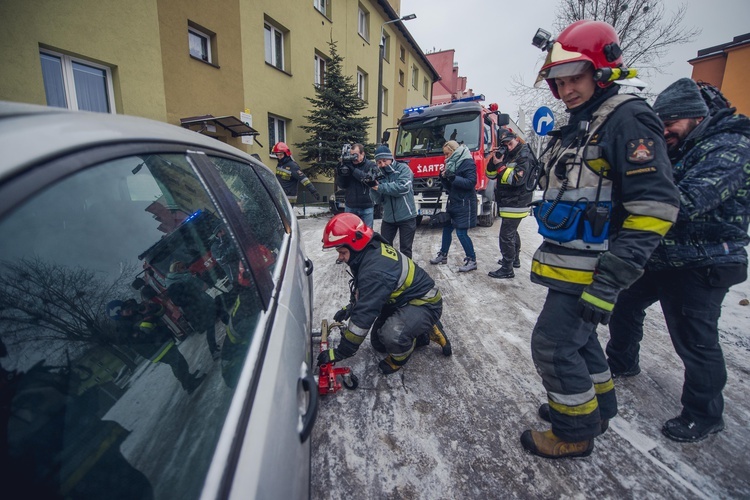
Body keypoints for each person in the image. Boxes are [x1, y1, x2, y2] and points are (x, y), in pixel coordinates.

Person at [521, 20, 680, 459]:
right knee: (581, 342)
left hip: (594, 271)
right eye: (560, 81)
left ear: (602, 72)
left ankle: (574, 431)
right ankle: (596, 407)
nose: (567, 89)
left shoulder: (627, 118)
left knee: (552, 346)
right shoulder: (587, 119)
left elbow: (656, 208)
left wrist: (608, 285)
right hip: (575, 265)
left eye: (576, 78)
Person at [606, 78, 750, 442]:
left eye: (670, 122)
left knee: (695, 340)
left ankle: (704, 414)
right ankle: (622, 362)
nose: (664, 130)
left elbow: (686, 202)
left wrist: (635, 200)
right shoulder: (681, 145)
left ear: (695, 116)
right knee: (624, 305)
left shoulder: (731, 146)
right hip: (663, 256)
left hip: (704, 262)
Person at [319, 213, 451, 375]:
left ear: (355, 244)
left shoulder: (374, 270)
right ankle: (422, 332)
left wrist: (340, 352)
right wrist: (350, 308)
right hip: (403, 301)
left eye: (343, 252)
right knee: (378, 343)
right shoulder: (368, 251)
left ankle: (400, 358)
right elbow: (367, 293)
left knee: (392, 335)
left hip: (425, 303)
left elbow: (364, 315)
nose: (340, 258)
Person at [485, 129, 535, 279]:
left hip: (517, 200)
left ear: (517, 139)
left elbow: (516, 180)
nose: (508, 146)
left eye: (510, 143)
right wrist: (493, 161)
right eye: (505, 144)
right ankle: (515, 260)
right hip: (509, 201)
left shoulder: (524, 155)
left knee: (506, 235)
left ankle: (507, 268)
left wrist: (500, 165)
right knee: (512, 232)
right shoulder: (508, 154)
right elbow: (491, 175)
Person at [429, 140, 478, 272]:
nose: (445, 157)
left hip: (465, 203)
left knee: (461, 233)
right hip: (454, 201)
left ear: (454, 151)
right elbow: (451, 187)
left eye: (447, 154)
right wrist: (444, 178)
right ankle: (443, 255)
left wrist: (452, 176)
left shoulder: (467, 162)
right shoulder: (452, 163)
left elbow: (471, 182)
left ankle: (471, 259)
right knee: (446, 228)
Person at [368, 144, 418, 258]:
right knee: (385, 249)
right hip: (389, 218)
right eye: (379, 162)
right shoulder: (379, 174)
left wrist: (379, 187)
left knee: (405, 249)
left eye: (385, 161)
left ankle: (407, 273)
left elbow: (402, 188)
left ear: (391, 158)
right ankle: (389, 272)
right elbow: (378, 199)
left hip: (407, 216)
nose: (382, 165)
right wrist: (372, 187)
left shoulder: (403, 169)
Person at [166, 260, 221, 359]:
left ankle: (215, 347)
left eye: (185, 266)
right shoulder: (175, 284)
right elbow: (179, 301)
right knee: (211, 326)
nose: (186, 269)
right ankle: (214, 351)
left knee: (216, 320)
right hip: (197, 308)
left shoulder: (183, 278)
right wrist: (193, 296)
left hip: (202, 304)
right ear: (176, 270)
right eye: (183, 267)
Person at [336, 143, 378, 228]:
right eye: (351, 155)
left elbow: (369, 181)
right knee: (350, 234)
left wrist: (353, 170)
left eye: (355, 155)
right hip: (350, 206)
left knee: (367, 234)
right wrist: (341, 172)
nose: (353, 158)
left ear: (363, 154)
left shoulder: (371, 165)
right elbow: (342, 185)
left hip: (366, 207)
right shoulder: (348, 165)